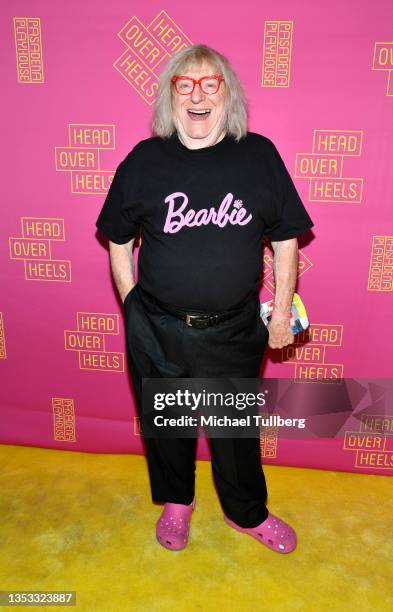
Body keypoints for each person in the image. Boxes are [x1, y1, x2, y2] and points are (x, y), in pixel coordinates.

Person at [95, 44, 314, 554]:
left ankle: (246, 513)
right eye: (184, 84)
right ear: (170, 96)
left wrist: (281, 312)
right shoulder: (144, 160)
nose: (197, 95)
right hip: (157, 326)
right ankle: (177, 502)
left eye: (210, 84)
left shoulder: (258, 155)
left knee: (233, 431)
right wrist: (133, 307)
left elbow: (286, 239)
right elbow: (118, 238)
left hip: (234, 326)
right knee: (167, 425)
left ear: (227, 95)